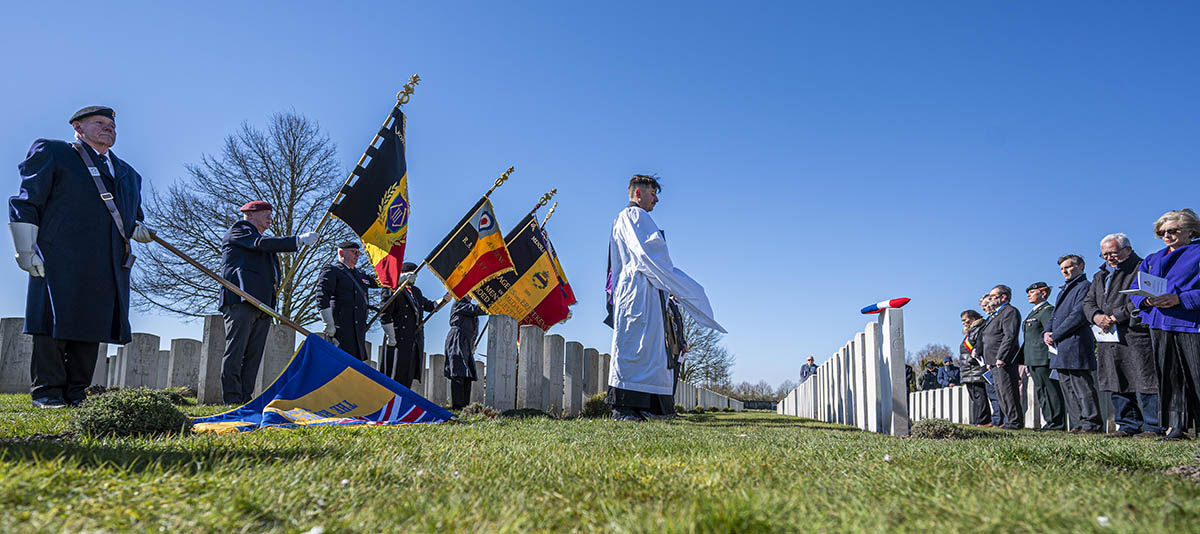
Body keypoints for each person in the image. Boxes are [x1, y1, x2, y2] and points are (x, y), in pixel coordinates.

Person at [9, 106, 154, 408]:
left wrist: (137, 227)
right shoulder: (55, 151)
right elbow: (27, 199)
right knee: (51, 321)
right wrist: (25, 250)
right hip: (60, 253)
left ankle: (77, 393)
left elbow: (130, 215)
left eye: (112, 125)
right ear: (77, 126)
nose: (108, 128)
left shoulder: (129, 173)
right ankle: (47, 392)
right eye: (99, 123)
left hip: (108, 261)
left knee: (92, 325)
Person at [606, 174, 724, 421]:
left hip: (649, 290)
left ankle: (651, 407)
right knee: (634, 347)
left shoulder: (632, 218)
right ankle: (625, 408)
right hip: (638, 290)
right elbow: (650, 256)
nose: (656, 199)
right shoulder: (634, 216)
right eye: (652, 193)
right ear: (638, 193)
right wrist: (681, 284)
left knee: (652, 350)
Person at [219, 200, 316, 404]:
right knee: (236, 351)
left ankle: (245, 398)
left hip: (262, 304)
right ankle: (231, 398)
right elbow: (260, 245)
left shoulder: (260, 239)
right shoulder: (240, 231)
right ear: (250, 214)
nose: (270, 218)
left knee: (253, 355)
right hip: (241, 299)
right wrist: (296, 240)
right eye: (266, 213)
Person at [1128, 209, 1200, 441]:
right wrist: (1146, 300)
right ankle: (1176, 426)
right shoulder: (1152, 259)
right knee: (1169, 376)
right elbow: (1135, 288)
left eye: (1173, 231)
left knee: (1196, 375)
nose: (1167, 235)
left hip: (1190, 322)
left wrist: (1181, 299)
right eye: (1162, 232)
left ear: (1191, 231)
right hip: (1159, 324)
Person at [1082, 233, 1162, 438]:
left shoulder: (1142, 267)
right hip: (1108, 337)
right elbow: (1088, 302)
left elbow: (1143, 296)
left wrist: (1115, 316)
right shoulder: (1100, 276)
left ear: (1128, 249)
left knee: (1145, 379)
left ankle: (1154, 426)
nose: (1109, 257)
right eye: (1105, 254)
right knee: (1116, 379)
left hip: (1134, 333)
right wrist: (1097, 316)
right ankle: (1127, 424)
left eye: (1113, 252)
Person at [1044, 254, 1102, 433]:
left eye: (1069, 267)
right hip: (1061, 346)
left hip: (1076, 343)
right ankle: (1077, 424)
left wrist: (1056, 334)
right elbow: (1054, 315)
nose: (1065, 271)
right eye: (1062, 269)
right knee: (1067, 387)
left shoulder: (1084, 286)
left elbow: (1078, 315)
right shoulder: (1064, 289)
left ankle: (1091, 424)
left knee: (1081, 386)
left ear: (1081, 266)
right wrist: (1046, 331)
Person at [379, 262, 446, 388]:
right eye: (412, 274)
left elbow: (430, 306)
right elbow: (385, 311)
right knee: (395, 375)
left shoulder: (416, 292)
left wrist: (444, 299)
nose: (415, 278)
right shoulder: (393, 288)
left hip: (413, 339)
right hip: (398, 337)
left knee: (407, 375)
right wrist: (391, 335)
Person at [317, 241, 379, 361]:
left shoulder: (360, 274)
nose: (357, 255)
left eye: (358, 253)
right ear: (341, 252)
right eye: (354, 252)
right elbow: (322, 295)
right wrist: (328, 323)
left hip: (357, 331)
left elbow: (378, 282)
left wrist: (399, 280)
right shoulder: (332, 270)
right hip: (340, 329)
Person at [1023, 281, 1065, 432]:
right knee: (1042, 392)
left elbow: (1049, 334)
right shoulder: (1034, 312)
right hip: (1033, 358)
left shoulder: (1047, 311)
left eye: (1032, 292)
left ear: (1044, 293)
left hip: (1043, 357)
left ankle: (1057, 423)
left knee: (1050, 391)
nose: (1029, 294)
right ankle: (1050, 421)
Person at [983, 284, 1023, 429]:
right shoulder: (997, 314)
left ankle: (1015, 421)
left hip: (1003, 360)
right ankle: (1009, 420)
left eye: (992, 297)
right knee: (1001, 393)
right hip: (993, 360)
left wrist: (1002, 356)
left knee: (1008, 391)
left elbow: (1009, 336)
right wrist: (989, 361)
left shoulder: (1009, 312)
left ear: (1003, 297)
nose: (990, 299)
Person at [444, 296, 487, 409]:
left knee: (468, 375)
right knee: (458, 372)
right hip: (457, 338)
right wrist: (490, 305)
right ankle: (457, 406)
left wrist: (472, 344)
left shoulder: (466, 304)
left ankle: (465, 406)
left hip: (467, 342)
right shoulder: (458, 303)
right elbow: (475, 310)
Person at [959, 309, 991, 425]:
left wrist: (971, 360)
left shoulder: (979, 329)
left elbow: (979, 346)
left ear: (973, 319)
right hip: (968, 370)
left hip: (975, 368)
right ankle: (978, 420)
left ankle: (983, 420)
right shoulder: (970, 332)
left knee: (979, 396)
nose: (963, 323)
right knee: (974, 397)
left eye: (965, 320)